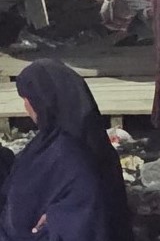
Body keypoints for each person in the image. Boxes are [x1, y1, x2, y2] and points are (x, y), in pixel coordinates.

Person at [0, 59, 132, 241]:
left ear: (43, 101)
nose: (26, 107)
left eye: (27, 99)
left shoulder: (70, 156)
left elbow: (86, 218)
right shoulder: (66, 144)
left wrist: (54, 221)